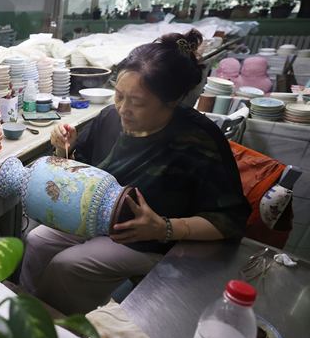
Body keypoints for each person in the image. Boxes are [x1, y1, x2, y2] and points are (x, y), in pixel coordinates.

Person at [20, 30, 250, 315]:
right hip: (95, 219)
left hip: (151, 240)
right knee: (37, 240)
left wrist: (164, 227)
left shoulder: (197, 140)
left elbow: (230, 220)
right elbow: (80, 172)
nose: (123, 109)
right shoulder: (110, 117)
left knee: (67, 266)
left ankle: (62, 328)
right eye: (119, 95)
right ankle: (27, 311)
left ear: (172, 101)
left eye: (137, 102)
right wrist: (64, 147)